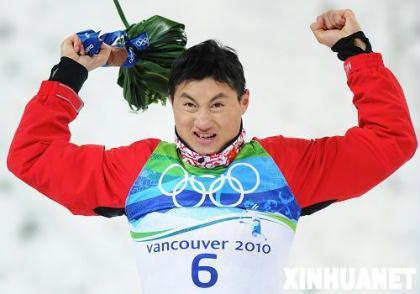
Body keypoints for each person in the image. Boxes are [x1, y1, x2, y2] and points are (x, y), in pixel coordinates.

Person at [6, 9, 417, 293]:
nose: (202, 121)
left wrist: (355, 51)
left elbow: (389, 139)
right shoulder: (141, 170)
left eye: (218, 103)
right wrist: (71, 73)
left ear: (244, 102)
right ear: (171, 103)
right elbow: (32, 156)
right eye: (189, 104)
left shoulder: (282, 169)